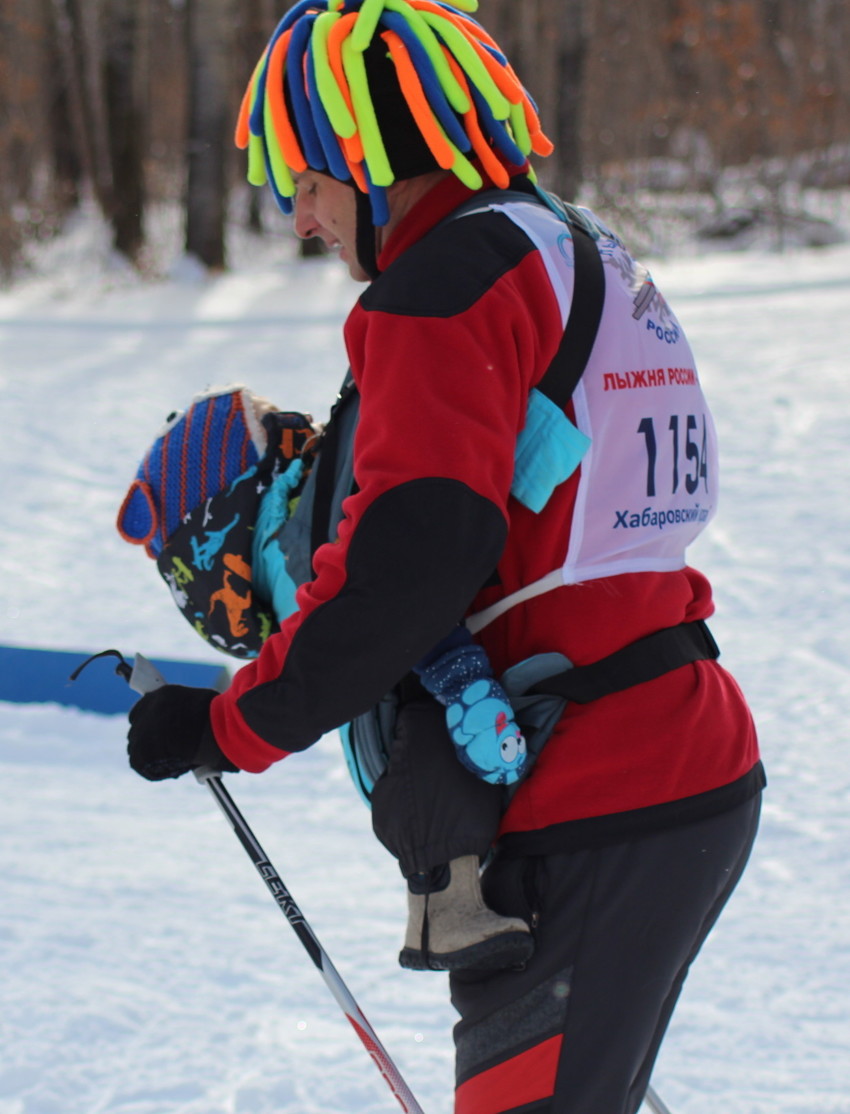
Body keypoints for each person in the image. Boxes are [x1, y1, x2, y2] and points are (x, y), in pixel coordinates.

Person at [124, 2, 765, 1111]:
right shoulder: (568, 245)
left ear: (376, 157)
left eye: (310, 179)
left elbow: (404, 569)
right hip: (679, 752)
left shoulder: (440, 290)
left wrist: (228, 726)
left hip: (592, 797)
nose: (302, 217)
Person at [118, 382, 534, 972]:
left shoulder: (292, 547)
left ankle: (445, 899)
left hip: (466, 748)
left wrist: (457, 674)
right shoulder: (313, 501)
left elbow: (359, 632)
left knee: (402, 716)